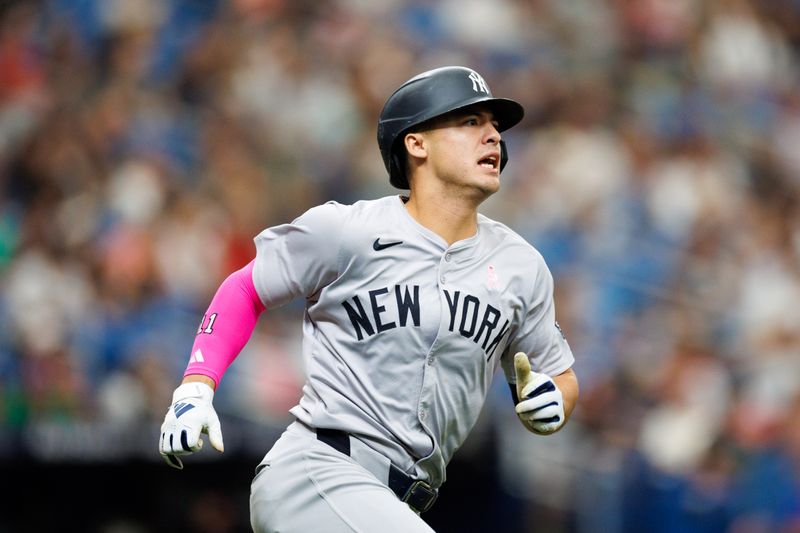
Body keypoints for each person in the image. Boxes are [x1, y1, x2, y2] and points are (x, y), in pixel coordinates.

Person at [158, 65, 579, 532]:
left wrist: (556, 402)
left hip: (401, 502)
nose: (493, 136)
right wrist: (196, 385)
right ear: (416, 143)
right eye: (470, 122)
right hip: (318, 475)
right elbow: (245, 288)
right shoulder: (348, 231)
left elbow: (557, 375)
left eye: (495, 126)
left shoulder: (522, 266)